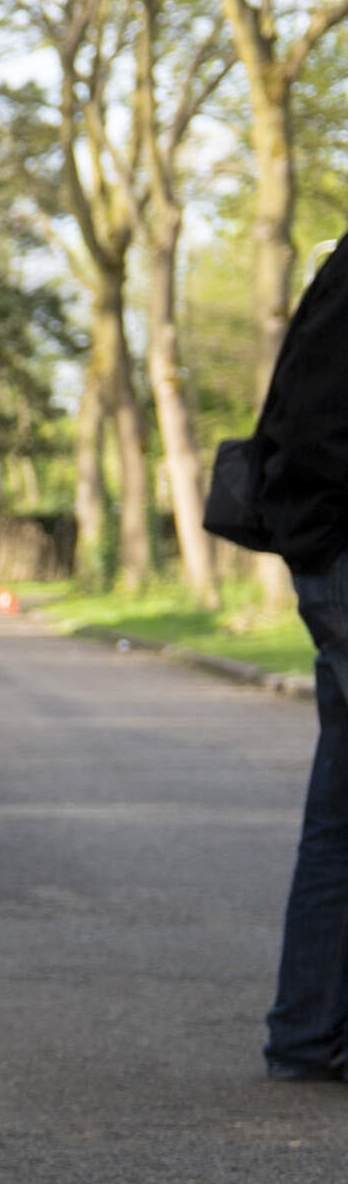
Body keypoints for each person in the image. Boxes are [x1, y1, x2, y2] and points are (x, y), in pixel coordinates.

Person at [242, 241, 348, 1080]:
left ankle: (308, 1032)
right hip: (337, 552)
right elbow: (309, 425)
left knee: (337, 816)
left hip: (325, 553)